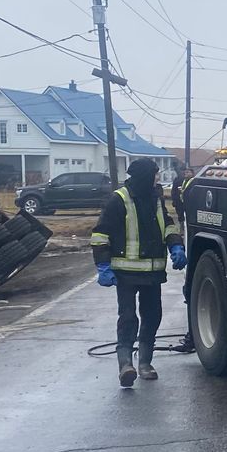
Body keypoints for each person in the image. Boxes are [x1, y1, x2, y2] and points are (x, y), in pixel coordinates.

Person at [90, 157, 185, 387]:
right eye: (154, 175)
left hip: (152, 272)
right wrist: (103, 265)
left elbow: (167, 225)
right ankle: (125, 364)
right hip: (125, 273)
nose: (156, 179)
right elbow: (101, 234)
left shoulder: (155, 199)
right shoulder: (119, 200)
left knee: (152, 316)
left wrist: (175, 245)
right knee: (128, 317)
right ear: (144, 176)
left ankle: (145, 363)